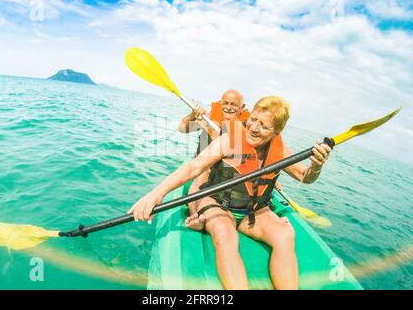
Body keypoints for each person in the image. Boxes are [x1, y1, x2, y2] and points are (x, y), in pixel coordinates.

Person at [128, 96, 332, 290]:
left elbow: (305, 177)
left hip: (253, 211)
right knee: (226, 234)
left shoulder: (280, 150)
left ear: (276, 131)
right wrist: (156, 193)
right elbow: (194, 168)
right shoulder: (228, 140)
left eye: (264, 126)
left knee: (285, 234)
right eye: (253, 119)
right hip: (218, 203)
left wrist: (316, 166)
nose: (253, 127)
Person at [177, 90, 250, 227]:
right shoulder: (208, 119)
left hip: (229, 171)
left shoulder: (248, 127)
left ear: (242, 107)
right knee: (202, 177)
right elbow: (181, 128)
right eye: (225, 103)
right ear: (220, 103)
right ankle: (195, 216)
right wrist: (193, 115)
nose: (228, 107)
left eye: (233, 104)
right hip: (206, 167)